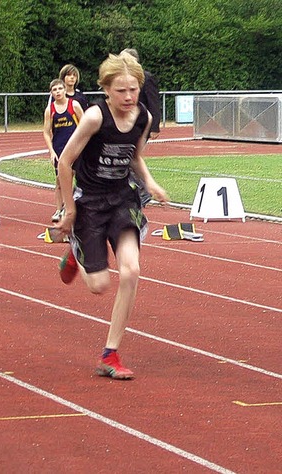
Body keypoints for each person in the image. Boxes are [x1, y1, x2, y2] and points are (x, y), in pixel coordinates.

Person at [55, 52, 168, 380]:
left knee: (131, 270)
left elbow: (136, 156)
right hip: (89, 202)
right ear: (106, 89)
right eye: (121, 91)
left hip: (122, 199)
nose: (129, 97)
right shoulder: (94, 117)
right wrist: (69, 209)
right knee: (99, 285)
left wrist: (150, 182)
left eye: (133, 90)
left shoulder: (142, 117)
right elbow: (65, 162)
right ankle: (76, 253)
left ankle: (111, 353)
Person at [121, 48, 160, 206]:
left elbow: (154, 101)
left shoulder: (146, 77)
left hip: (141, 124)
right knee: (125, 159)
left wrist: (155, 127)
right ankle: (135, 191)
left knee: (130, 157)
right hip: (126, 122)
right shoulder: (122, 79)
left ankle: (143, 191)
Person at [42, 79, 83, 222]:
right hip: (59, 148)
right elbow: (46, 132)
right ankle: (59, 210)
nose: (58, 92)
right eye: (55, 90)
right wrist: (51, 151)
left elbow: (85, 125)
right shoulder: (50, 110)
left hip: (76, 148)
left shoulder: (74, 105)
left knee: (80, 179)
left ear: (65, 90)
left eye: (60, 89)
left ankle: (76, 208)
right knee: (60, 181)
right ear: (51, 93)